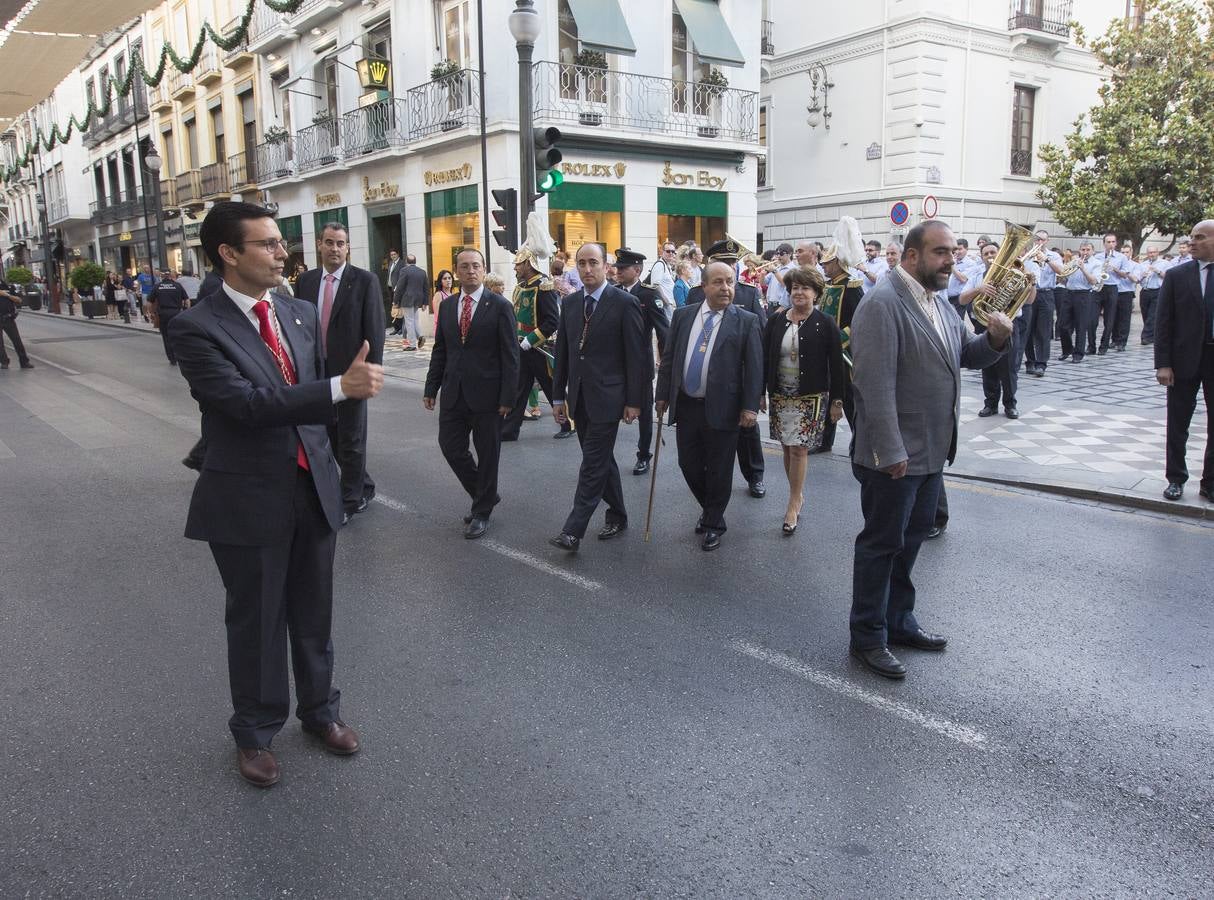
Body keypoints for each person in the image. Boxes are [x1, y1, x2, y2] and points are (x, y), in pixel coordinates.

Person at [167, 200, 384, 786]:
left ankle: (321, 713)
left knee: (314, 613)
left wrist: (339, 463)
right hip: (247, 495)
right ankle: (256, 731)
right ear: (228, 254)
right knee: (257, 620)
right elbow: (246, 405)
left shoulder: (294, 312)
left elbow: (312, 401)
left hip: (312, 486)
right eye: (265, 244)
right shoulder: (195, 328)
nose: (280, 252)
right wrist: (340, 387)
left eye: (279, 242)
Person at [848, 220, 1012, 680]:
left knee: (911, 541)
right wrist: (891, 449)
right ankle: (867, 636)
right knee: (882, 545)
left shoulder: (938, 303)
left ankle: (898, 621)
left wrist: (997, 337)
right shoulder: (882, 303)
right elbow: (873, 386)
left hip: (932, 452)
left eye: (953, 254)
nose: (951, 261)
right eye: (941, 253)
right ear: (911, 256)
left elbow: (965, 355)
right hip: (894, 457)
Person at [655, 261, 763, 551]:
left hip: (725, 407)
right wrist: (662, 394)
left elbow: (754, 369)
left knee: (719, 468)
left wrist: (750, 407)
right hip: (688, 405)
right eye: (718, 282)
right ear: (703, 286)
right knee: (688, 464)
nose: (725, 288)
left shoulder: (746, 321)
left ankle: (714, 521)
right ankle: (710, 508)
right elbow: (669, 358)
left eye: (729, 281)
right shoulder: (683, 316)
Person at [548, 243, 646, 552]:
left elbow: (637, 356)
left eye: (593, 263)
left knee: (592, 463)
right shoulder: (572, 303)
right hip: (579, 397)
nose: (587, 269)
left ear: (607, 267)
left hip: (610, 397)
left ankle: (573, 530)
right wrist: (557, 398)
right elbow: (562, 353)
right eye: (582, 263)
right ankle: (617, 513)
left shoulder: (624, 303)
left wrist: (634, 401)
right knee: (602, 460)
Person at [423, 249, 519, 537]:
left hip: (489, 396)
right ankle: (485, 494)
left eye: (476, 266)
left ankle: (481, 511)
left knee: (488, 453)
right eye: (464, 267)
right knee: (450, 446)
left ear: (484, 269)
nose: (470, 271)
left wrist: (507, 398)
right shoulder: (450, 305)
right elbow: (441, 349)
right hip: (454, 392)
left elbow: (511, 355)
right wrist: (431, 387)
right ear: (456, 271)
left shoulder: (500, 306)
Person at [294, 222, 385, 521]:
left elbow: (375, 331)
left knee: (352, 439)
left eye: (341, 243)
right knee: (329, 436)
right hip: (316, 374)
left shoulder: (364, 281)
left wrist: (371, 373)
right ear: (319, 244)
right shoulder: (305, 282)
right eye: (330, 242)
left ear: (348, 247)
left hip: (352, 372)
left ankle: (350, 500)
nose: (335, 249)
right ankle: (365, 485)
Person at [761, 266, 845, 534]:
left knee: (799, 449)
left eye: (805, 288)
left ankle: (793, 502)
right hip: (780, 395)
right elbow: (764, 358)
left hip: (810, 397)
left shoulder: (825, 322)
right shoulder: (775, 321)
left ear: (816, 293)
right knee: (787, 447)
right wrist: (759, 392)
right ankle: (796, 493)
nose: (799, 292)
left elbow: (837, 365)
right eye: (795, 287)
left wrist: (838, 401)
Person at [686, 238, 770, 498]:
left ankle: (754, 474)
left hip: (740, 380)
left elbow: (760, 341)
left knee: (748, 433)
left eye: (733, 263)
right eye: (724, 262)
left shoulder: (747, 291)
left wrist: (758, 392)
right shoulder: (696, 293)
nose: (730, 268)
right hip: (707, 382)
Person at [1156, 220, 1214, 503]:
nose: (1192, 242)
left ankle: (1210, 483)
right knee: (1178, 423)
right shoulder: (1177, 275)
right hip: (1183, 360)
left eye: (1200, 237)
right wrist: (1163, 364)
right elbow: (1163, 323)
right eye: (1191, 237)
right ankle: (1176, 479)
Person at [501, 213, 569, 442]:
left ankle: (568, 423)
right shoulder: (520, 287)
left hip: (539, 348)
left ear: (528, 264)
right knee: (519, 389)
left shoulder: (544, 286)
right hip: (522, 347)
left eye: (518, 265)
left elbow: (552, 321)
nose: (516, 268)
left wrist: (531, 340)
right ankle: (509, 430)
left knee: (552, 390)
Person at [961, 242, 1036, 419]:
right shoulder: (977, 275)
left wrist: (1031, 284)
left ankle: (1010, 404)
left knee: (1009, 367)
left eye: (993, 252)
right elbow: (963, 299)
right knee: (987, 366)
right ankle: (990, 404)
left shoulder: (1015, 274)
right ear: (981, 257)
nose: (990, 256)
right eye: (986, 253)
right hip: (985, 323)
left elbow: (1030, 301)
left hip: (1009, 324)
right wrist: (979, 289)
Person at [614, 247, 669, 476]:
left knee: (645, 412)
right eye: (617, 267)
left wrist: (666, 364)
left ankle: (643, 454)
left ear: (637, 270)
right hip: (616, 363)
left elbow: (663, 331)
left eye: (623, 268)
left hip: (640, 363)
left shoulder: (648, 294)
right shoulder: (613, 292)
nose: (618, 271)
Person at [815, 216, 865, 453]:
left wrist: (837, 343)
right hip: (826, 350)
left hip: (843, 352)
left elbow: (858, 322)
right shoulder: (827, 286)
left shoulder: (852, 287)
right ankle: (825, 441)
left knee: (848, 398)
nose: (824, 267)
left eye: (827, 263)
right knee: (828, 396)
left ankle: (861, 441)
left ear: (837, 262)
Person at [1024, 231, 1065, 377]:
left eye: (1042, 240)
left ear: (1047, 241)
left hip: (1046, 293)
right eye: (1036, 239)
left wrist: (1046, 259)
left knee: (1043, 330)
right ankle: (1030, 361)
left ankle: (1041, 364)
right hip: (1029, 292)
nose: (1039, 242)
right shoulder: (1027, 255)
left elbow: (1062, 271)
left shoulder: (1054, 256)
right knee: (1027, 329)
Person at [1057, 242, 1100, 362]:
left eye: (1088, 250)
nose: (1085, 252)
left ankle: (1078, 354)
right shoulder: (1073, 261)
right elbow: (1066, 279)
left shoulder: (1096, 263)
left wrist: (1083, 269)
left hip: (1084, 295)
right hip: (1069, 293)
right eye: (1083, 250)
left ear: (1093, 251)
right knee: (1062, 325)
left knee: (1081, 326)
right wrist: (1061, 277)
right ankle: (1067, 349)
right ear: (1080, 250)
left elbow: (1093, 281)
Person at [1089, 233, 1131, 355]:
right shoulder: (1097, 256)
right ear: (1104, 243)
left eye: (1113, 242)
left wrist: (1114, 269)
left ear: (1116, 243)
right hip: (1098, 288)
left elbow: (1125, 275)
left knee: (1109, 320)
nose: (1111, 244)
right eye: (1108, 242)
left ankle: (1104, 346)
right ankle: (1091, 346)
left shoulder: (1121, 257)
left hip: (1112, 288)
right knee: (1092, 320)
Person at [150, 270, 191, 365]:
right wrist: (187, 312)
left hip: (164, 313)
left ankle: (172, 358)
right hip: (176, 312)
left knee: (166, 336)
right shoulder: (177, 285)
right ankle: (180, 355)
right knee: (178, 335)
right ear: (171, 276)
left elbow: (149, 302)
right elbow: (187, 300)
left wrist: (152, 313)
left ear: (162, 276)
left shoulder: (157, 286)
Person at [392, 253, 431, 351]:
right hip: (418, 300)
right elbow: (426, 288)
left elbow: (400, 287)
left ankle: (413, 344)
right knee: (415, 319)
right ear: (415, 261)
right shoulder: (422, 272)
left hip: (407, 299)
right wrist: (425, 302)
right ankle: (420, 336)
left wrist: (395, 300)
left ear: (406, 262)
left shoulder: (404, 270)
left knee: (409, 321)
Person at [1137, 246, 1170, 345]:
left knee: (1152, 314)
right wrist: (1142, 275)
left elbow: (1168, 277)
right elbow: (1138, 279)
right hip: (1145, 291)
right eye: (1150, 253)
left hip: (1157, 291)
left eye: (1154, 252)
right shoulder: (1143, 264)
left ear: (1158, 252)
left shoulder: (1165, 264)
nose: (1152, 254)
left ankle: (1146, 337)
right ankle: (1153, 335)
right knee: (1146, 314)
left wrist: (1157, 271)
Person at [0, 280, 33, 369]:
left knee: (17, 340)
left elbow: (18, 299)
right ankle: (4, 362)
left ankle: (24, 361)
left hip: (8, 317)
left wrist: (7, 295)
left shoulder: (7, 286)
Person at [945, 239, 980, 318]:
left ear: (967, 249)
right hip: (947, 298)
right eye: (956, 249)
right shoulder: (954, 260)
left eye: (960, 249)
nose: (957, 252)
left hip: (958, 300)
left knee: (956, 325)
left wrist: (952, 266)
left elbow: (963, 279)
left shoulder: (971, 264)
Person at [648, 241, 678, 316]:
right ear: (662, 252)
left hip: (669, 304)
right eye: (668, 251)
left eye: (673, 251)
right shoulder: (660, 265)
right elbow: (655, 285)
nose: (671, 253)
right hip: (664, 304)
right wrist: (665, 300)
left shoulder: (667, 265)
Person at [763, 243, 794, 309]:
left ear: (789, 254)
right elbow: (763, 283)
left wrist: (774, 271)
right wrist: (762, 274)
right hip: (770, 304)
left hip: (781, 306)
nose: (779, 256)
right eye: (777, 254)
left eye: (782, 254)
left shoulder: (793, 269)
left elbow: (786, 284)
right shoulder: (777, 268)